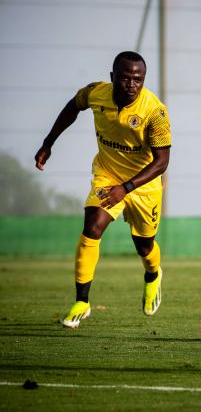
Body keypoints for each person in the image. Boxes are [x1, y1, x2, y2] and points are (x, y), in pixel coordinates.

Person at [35, 51, 171, 328]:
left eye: (138, 79)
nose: (131, 84)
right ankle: (82, 302)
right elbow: (73, 106)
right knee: (92, 227)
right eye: (125, 78)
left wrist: (128, 187)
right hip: (108, 175)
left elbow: (162, 162)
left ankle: (153, 275)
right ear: (112, 78)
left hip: (143, 184)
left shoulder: (154, 113)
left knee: (144, 246)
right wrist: (49, 142)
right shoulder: (96, 93)